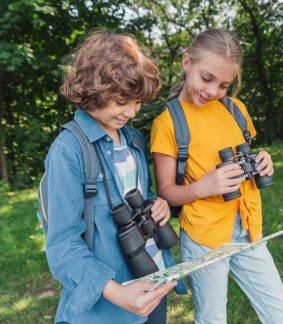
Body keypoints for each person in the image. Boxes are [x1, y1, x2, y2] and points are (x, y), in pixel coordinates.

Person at [150, 28, 283, 324]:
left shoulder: (235, 109)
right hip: (204, 237)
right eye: (207, 78)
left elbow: (244, 157)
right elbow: (166, 192)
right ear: (186, 63)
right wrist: (205, 187)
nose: (213, 91)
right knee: (212, 319)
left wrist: (261, 161)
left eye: (224, 85)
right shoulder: (167, 123)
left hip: (248, 228)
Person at [44, 29, 176, 324]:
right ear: (93, 90)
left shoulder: (133, 140)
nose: (131, 112)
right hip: (109, 306)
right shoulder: (68, 152)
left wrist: (159, 205)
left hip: (154, 282)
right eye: (121, 102)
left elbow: (141, 195)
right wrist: (116, 292)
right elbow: (62, 245)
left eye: (138, 102)